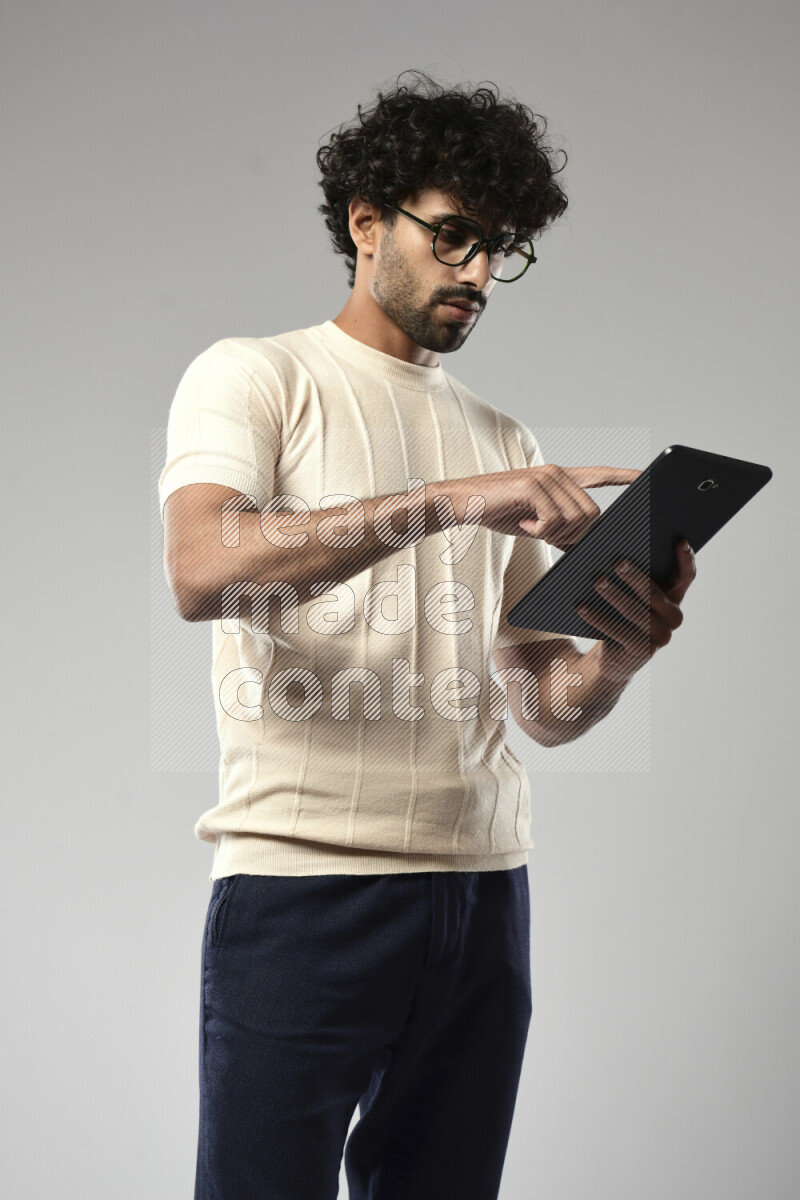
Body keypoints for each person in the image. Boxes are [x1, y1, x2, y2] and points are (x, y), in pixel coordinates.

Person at [159, 68, 696, 1200]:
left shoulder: (499, 431)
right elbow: (204, 569)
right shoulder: (257, 377)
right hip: (306, 893)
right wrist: (450, 499)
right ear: (366, 222)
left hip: (482, 894)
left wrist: (618, 657)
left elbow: (538, 704)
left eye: (498, 247)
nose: (478, 273)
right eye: (452, 236)